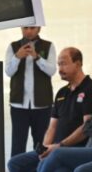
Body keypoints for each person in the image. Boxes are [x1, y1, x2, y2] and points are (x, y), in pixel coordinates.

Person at [5, 48, 92, 172]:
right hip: (55, 149)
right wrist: (45, 148)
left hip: (77, 151)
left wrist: (59, 146)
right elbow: (52, 126)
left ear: (78, 63)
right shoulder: (62, 93)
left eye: (64, 63)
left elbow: (86, 128)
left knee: (54, 171)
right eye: (58, 64)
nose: (60, 68)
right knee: (15, 164)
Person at [4, 25, 57, 157]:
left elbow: (52, 70)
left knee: (41, 142)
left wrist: (37, 57)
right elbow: (8, 72)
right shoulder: (13, 46)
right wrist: (17, 57)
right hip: (19, 104)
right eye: (25, 28)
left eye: (32, 28)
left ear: (38, 29)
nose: (28, 31)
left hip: (42, 104)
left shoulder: (48, 46)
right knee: (18, 141)